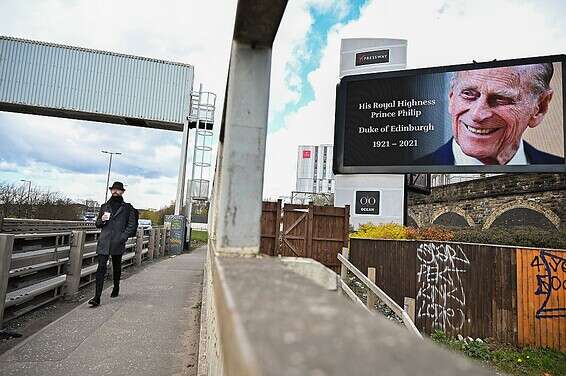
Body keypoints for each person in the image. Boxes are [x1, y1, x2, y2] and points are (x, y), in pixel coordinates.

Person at [417, 63, 564, 165]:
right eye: (468, 94)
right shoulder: (414, 168)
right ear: (452, 98)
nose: (477, 114)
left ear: (539, 107)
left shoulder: (558, 166)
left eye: (500, 99)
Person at [89, 181, 137, 307]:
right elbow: (97, 224)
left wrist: (123, 237)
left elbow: (131, 225)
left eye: (118, 189)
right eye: (113, 189)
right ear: (111, 191)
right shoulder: (104, 206)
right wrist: (101, 220)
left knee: (116, 266)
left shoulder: (127, 208)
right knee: (101, 269)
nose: (115, 191)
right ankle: (97, 297)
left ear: (122, 192)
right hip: (104, 241)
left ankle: (116, 286)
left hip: (118, 241)